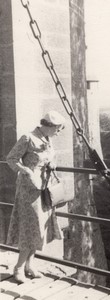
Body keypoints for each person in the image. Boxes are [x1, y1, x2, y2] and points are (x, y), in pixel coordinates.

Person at [6, 110, 66, 283]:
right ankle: (18, 268)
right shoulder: (28, 138)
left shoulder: (47, 139)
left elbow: (48, 158)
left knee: (39, 228)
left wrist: (52, 163)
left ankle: (29, 265)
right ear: (50, 126)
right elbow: (11, 158)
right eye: (58, 129)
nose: (58, 132)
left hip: (44, 189)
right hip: (28, 191)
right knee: (29, 228)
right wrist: (26, 171)